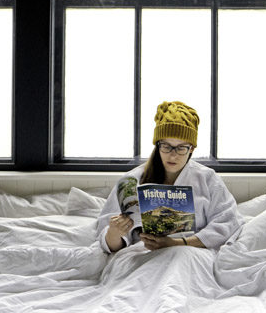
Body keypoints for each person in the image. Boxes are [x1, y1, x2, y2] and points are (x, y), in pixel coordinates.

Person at [97, 100, 242, 254]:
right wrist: (114, 232)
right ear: (157, 145)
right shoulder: (131, 180)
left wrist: (177, 243)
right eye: (166, 146)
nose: (173, 155)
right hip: (141, 254)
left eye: (181, 148)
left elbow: (228, 223)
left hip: (189, 252)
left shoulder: (207, 178)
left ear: (191, 149)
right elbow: (110, 246)